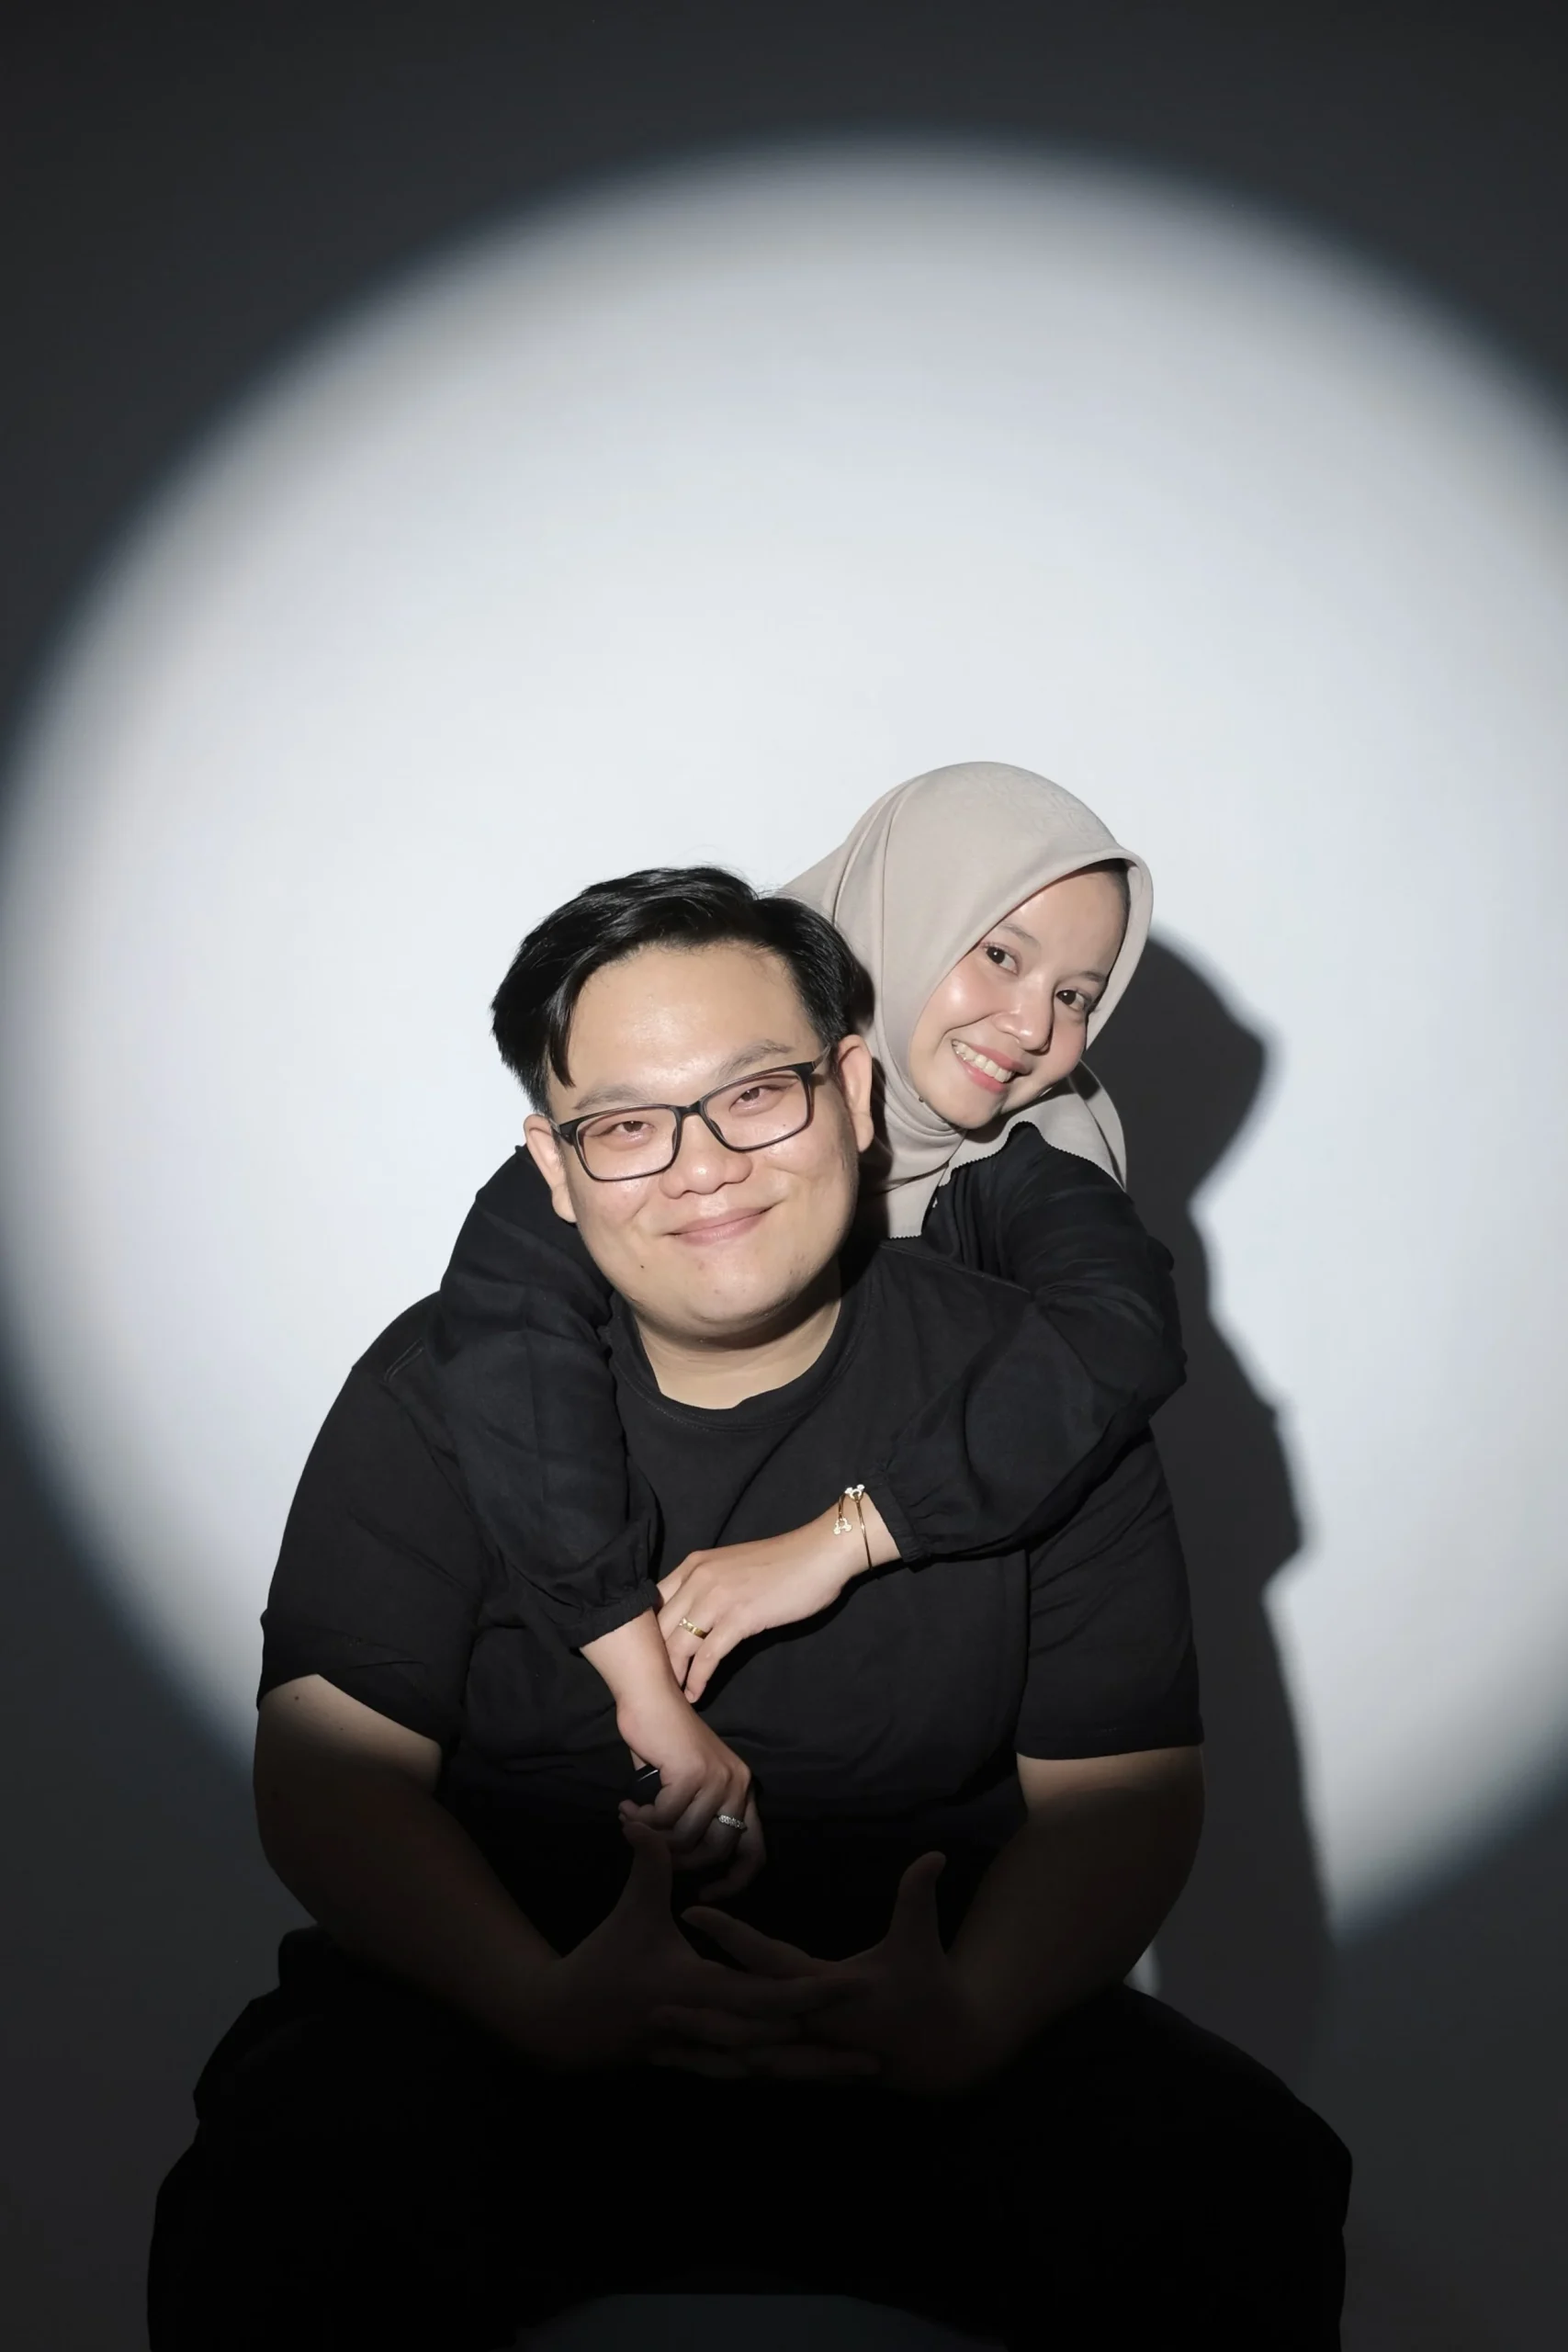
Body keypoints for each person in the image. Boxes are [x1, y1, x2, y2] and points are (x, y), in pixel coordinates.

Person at [149, 867, 1349, 2350]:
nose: (702, 1167)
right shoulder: (437, 1386)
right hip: (506, 2022)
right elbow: (329, 1777)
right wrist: (536, 2005)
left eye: (755, 1095)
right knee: (277, 2197)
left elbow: (1123, 1794)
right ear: (553, 1165)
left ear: (852, 1089)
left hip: (927, 2035)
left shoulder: (1040, 1393)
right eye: (626, 1126)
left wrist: (972, 2019)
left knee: (1237, 2182)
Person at [432, 762, 1186, 1888]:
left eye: (1078, 994)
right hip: (587, 1746)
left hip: (914, 1757)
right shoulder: (647, 1122)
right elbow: (511, 1348)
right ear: (903, 911)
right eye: (999, 954)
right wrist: (639, 1680)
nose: (1034, 1025)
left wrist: (842, 1539)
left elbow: (1117, 1334)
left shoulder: (1037, 1156)